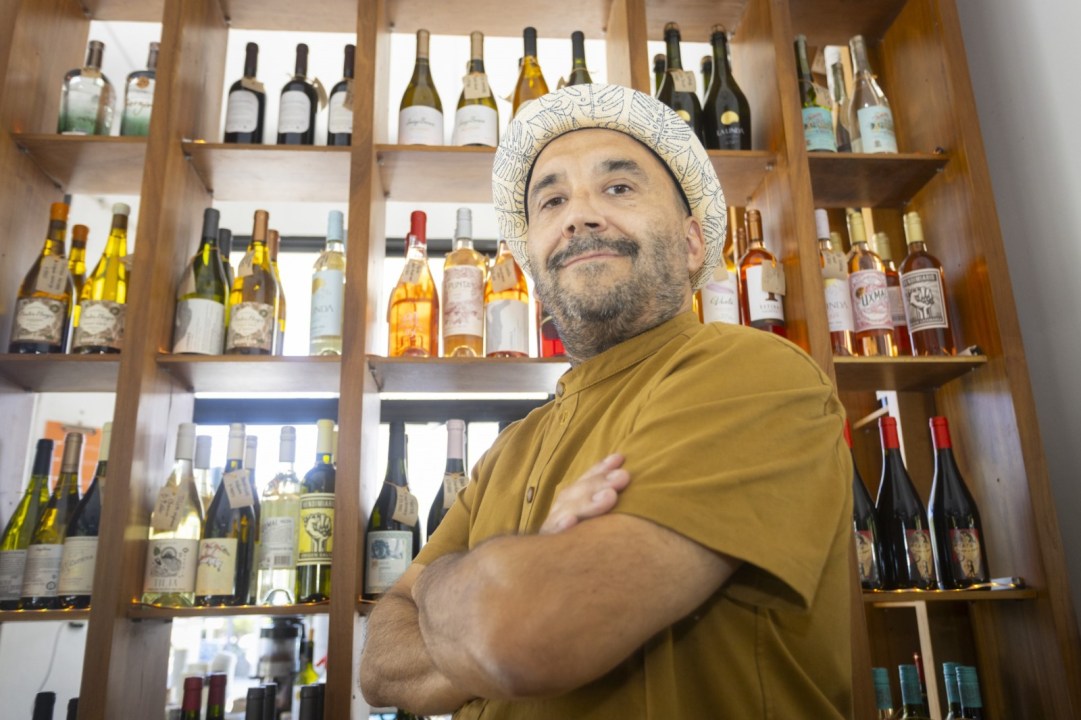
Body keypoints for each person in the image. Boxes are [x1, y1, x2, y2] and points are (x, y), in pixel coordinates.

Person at [360, 83, 853, 718]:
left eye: (618, 188)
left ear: (692, 243)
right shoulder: (508, 450)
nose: (580, 216)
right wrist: (512, 573)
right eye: (553, 200)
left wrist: (435, 582)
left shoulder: (754, 374)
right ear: (534, 263)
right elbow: (379, 668)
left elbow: (521, 634)